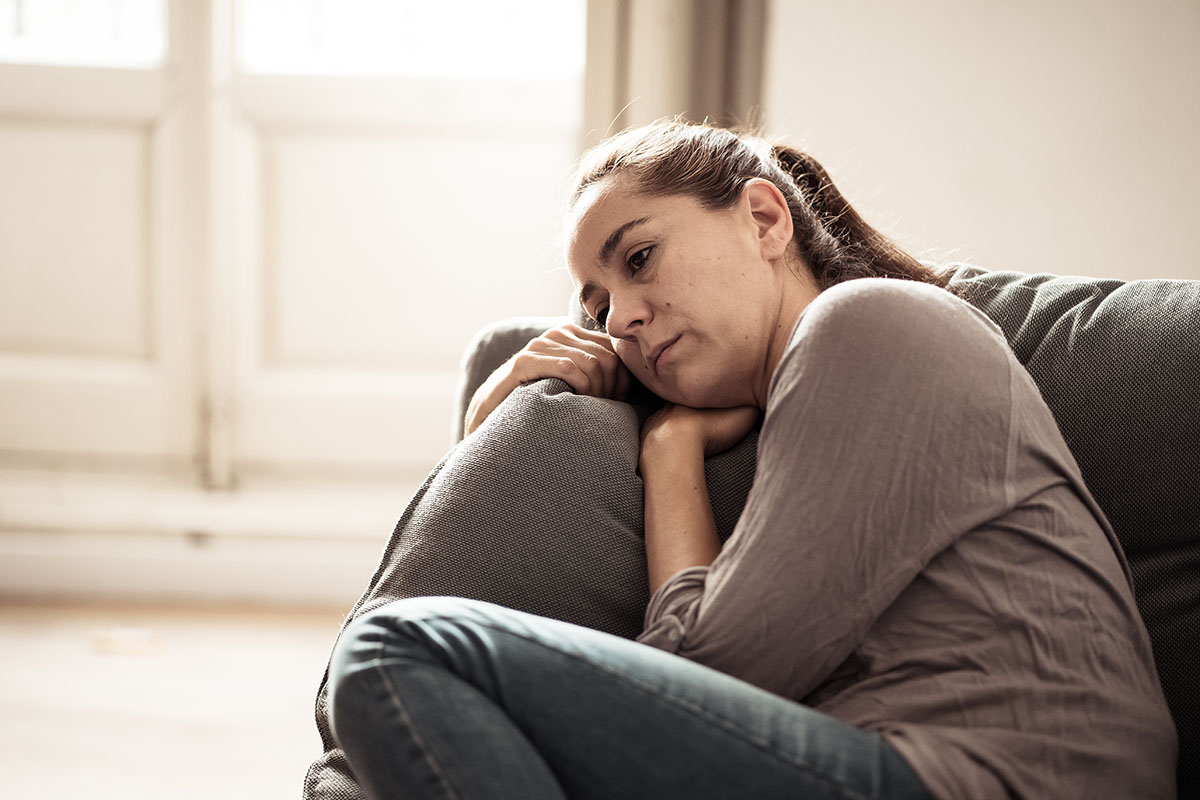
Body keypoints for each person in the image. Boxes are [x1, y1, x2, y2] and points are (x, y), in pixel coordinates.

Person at [325, 119, 1177, 799]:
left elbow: (704, 667)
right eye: (598, 302)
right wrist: (485, 428)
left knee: (395, 648)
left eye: (640, 257)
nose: (619, 317)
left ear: (766, 218)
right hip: (871, 758)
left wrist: (669, 454)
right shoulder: (800, 407)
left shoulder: (874, 326)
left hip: (988, 775)